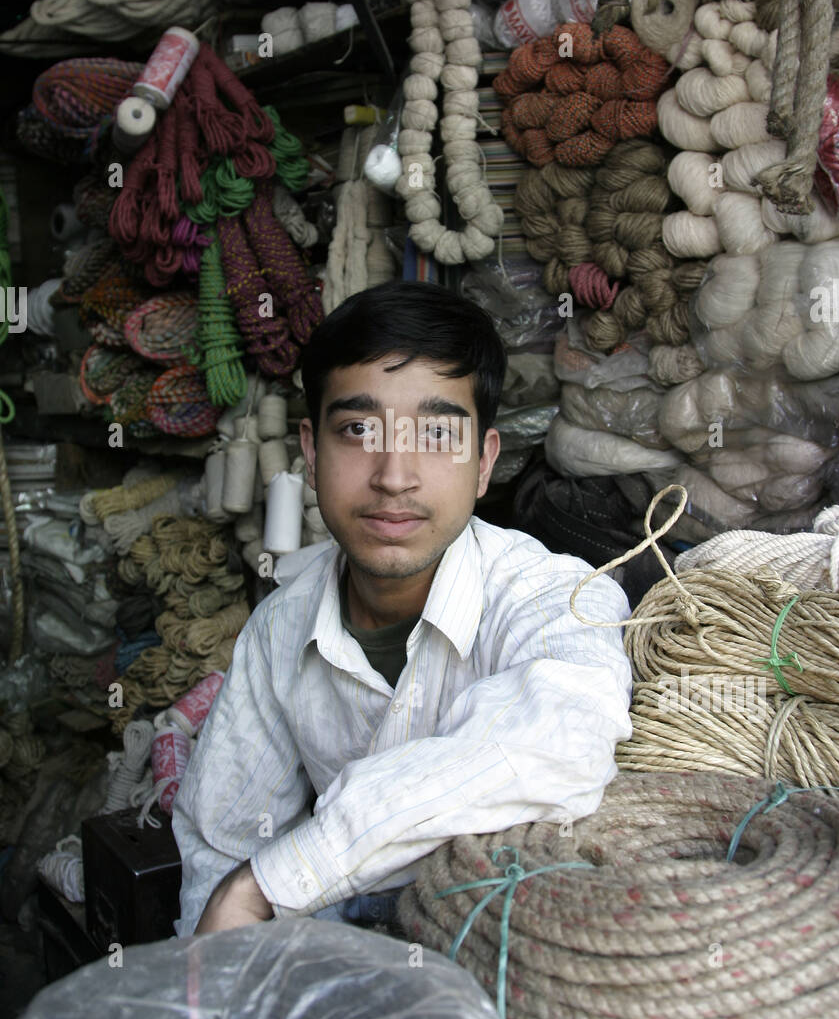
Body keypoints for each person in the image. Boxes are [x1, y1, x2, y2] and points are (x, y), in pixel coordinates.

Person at [172, 281, 632, 937]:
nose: (394, 475)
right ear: (310, 451)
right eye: (358, 429)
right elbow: (221, 840)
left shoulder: (547, 595)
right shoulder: (281, 628)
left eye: (437, 433)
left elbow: (562, 738)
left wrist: (280, 877)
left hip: (512, 965)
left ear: (483, 463)